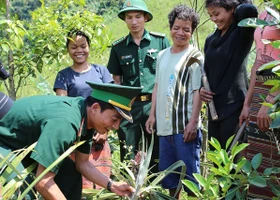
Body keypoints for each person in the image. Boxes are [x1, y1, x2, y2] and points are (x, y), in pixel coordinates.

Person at [0, 82, 141, 199]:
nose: (116, 127)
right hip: (5, 142)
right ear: (95, 108)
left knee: (71, 176)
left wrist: (112, 185)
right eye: (114, 119)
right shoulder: (66, 124)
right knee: (22, 190)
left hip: (27, 146)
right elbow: (42, 181)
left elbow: (83, 163)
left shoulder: (86, 117)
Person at [145, 5, 203, 199]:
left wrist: (193, 123)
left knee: (192, 181)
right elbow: (157, 86)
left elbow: (198, 92)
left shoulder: (194, 57)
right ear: (170, 27)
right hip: (164, 128)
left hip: (184, 128)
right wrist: (152, 115)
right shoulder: (162, 56)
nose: (180, 33)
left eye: (186, 29)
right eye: (177, 27)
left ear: (192, 32)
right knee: (170, 179)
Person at [107, 0, 170, 173]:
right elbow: (117, 82)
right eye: (129, 17)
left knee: (157, 151)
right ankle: (130, 190)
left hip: (154, 105)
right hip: (130, 107)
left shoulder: (160, 42)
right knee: (127, 152)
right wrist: (119, 112)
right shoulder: (118, 47)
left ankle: (155, 192)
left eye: (138, 17)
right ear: (125, 20)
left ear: (145, 18)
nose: (133, 21)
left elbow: (170, 74)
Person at [239, 9, 280, 199]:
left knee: (278, 158)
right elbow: (257, 63)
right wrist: (248, 102)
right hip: (259, 89)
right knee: (256, 156)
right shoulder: (262, 14)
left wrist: (270, 101)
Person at [53, 29, 113, 188]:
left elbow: (111, 103)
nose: (79, 50)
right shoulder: (63, 75)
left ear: (89, 47)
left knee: (103, 184)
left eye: (83, 46)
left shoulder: (101, 72)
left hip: (100, 138)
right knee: (81, 186)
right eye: (73, 47)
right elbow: (62, 105)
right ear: (67, 50)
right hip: (76, 139)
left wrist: (105, 131)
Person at [200, 0, 258, 149]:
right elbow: (207, 71)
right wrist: (202, 90)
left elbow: (249, 10)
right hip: (214, 110)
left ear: (232, 9)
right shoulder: (211, 40)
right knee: (217, 161)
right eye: (210, 15)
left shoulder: (241, 32)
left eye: (217, 14)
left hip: (235, 107)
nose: (214, 19)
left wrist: (236, 3)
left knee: (232, 162)